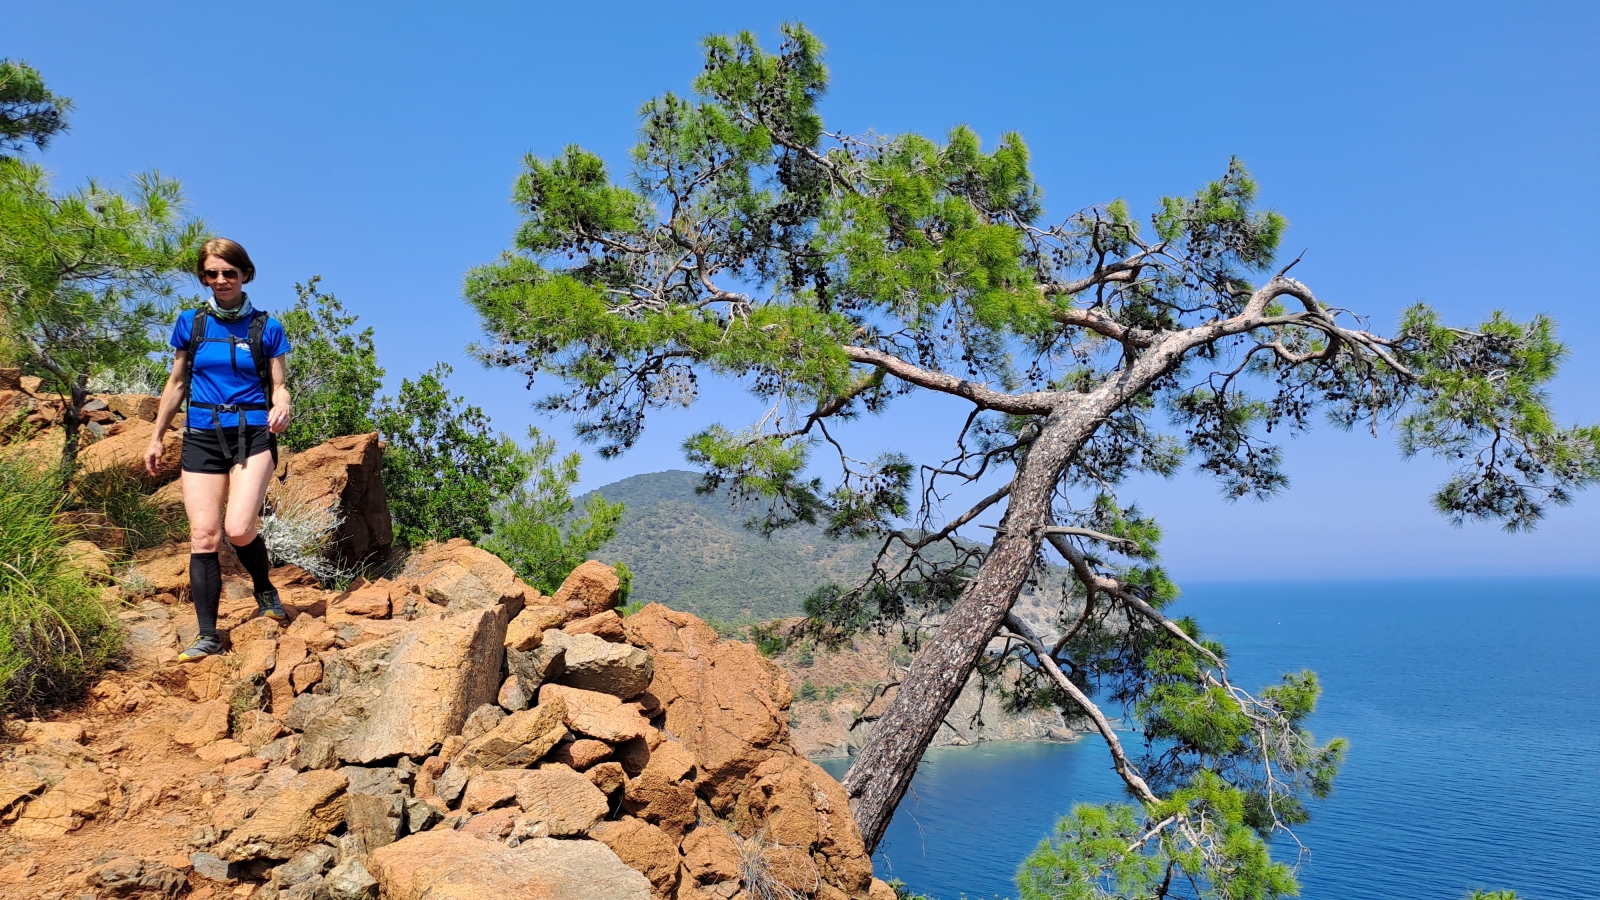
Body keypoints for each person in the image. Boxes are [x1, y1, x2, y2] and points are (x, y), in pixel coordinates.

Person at [143, 238, 293, 662]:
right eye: (212, 273)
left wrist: (281, 405)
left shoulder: (267, 327)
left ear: (245, 273)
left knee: (240, 528)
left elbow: (279, 386)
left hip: (252, 435)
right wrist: (156, 436)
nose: (221, 280)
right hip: (202, 435)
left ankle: (264, 588)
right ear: (203, 277)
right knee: (204, 535)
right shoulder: (190, 323)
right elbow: (175, 384)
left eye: (229, 272)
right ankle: (208, 634)